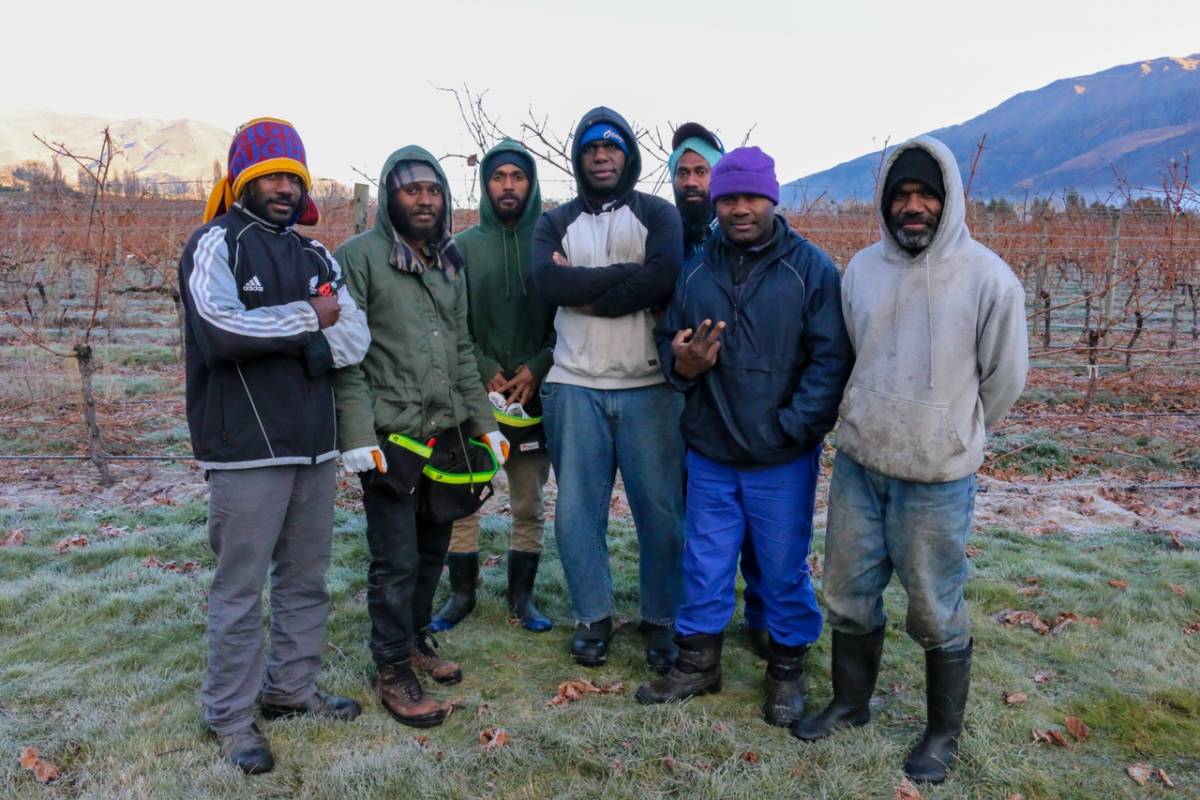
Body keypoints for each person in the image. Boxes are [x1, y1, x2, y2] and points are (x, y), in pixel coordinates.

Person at [792, 135, 1028, 785]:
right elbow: (846, 355)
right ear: (886, 203)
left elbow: (1003, 380)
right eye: (902, 194)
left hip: (937, 478)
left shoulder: (989, 279)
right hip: (862, 464)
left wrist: (953, 430)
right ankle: (850, 703)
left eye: (926, 193)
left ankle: (942, 734)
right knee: (847, 593)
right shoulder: (861, 272)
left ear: (948, 199)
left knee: (932, 607)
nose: (914, 205)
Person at [636, 147, 852, 728]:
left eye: (750, 197)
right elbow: (667, 342)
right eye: (728, 198)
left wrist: (795, 427)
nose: (739, 209)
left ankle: (785, 670)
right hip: (710, 450)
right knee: (704, 562)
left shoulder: (810, 270)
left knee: (782, 568)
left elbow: (830, 361)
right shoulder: (697, 269)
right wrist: (681, 365)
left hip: (781, 455)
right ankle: (697, 664)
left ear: (772, 200)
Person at [180, 116, 370, 774]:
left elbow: (352, 341)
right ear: (243, 181)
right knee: (239, 589)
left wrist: (302, 333)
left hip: (314, 447)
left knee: (306, 580)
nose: (285, 188)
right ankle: (230, 715)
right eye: (270, 176)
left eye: (294, 176)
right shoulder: (216, 244)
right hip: (245, 450)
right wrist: (309, 321)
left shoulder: (316, 256)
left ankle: (290, 688)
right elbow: (220, 330)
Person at [332, 146, 509, 729]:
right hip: (391, 437)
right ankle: (390, 668)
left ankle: (412, 640)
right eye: (412, 190)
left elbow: (460, 350)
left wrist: (484, 422)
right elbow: (347, 359)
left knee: (433, 548)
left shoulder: (446, 262)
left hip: (446, 432)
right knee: (395, 559)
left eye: (433, 190)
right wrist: (357, 434)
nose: (425, 200)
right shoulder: (357, 259)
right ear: (389, 196)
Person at [531, 106, 685, 671]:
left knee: (661, 514)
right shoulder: (554, 221)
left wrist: (587, 293)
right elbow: (547, 281)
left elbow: (666, 272)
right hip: (574, 386)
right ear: (578, 157)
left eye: (612, 146)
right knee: (577, 513)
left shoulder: (657, 214)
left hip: (650, 386)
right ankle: (593, 618)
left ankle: (662, 620)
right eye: (591, 147)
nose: (601, 155)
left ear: (628, 156)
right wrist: (629, 281)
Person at [431, 139, 556, 633]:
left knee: (528, 500)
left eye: (517, 177)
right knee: (464, 497)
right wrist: (482, 367)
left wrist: (538, 366)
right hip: (473, 392)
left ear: (531, 184)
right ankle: (460, 594)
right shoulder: (460, 247)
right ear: (485, 185)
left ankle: (522, 598)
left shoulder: (550, 243)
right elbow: (449, 317)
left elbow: (567, 317)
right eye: (498, 177)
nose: (508, 186)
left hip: (533, 396)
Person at [668, 122, 768, 660]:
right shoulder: (667, 235)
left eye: (702, 170)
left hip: (749, 407)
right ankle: (701, 620)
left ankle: (760, 613)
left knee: (756, 522)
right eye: (682, 171)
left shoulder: (749, 240)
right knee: (702, 522)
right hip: (688, 401)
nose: (691, 181)